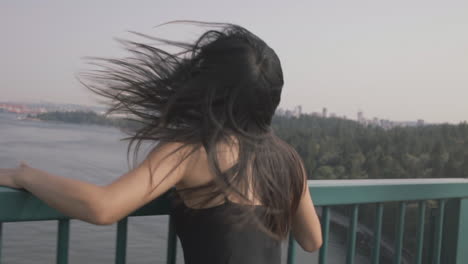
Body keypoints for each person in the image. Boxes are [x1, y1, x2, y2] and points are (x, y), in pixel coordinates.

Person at [0, 21, 322, 263]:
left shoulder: (192, 152)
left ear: (208, 87)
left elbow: (102, 207)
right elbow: (312, 240)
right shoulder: (288, 160)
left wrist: (25, 176)